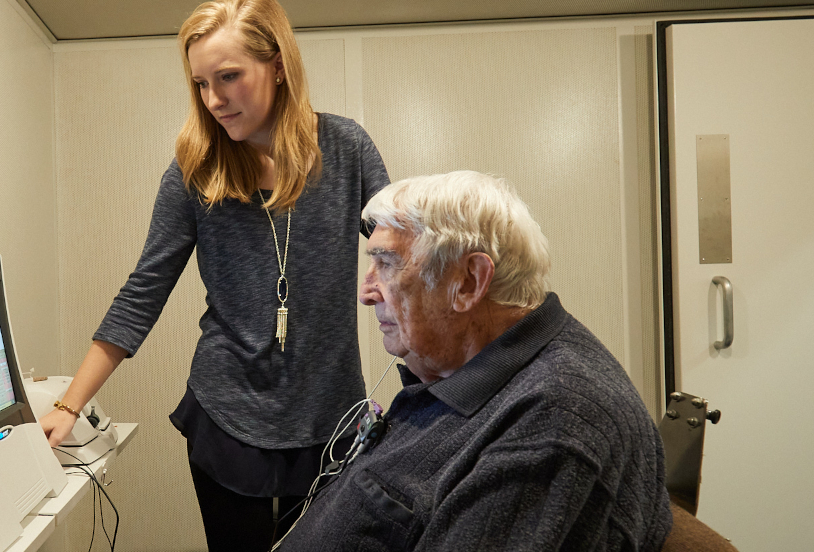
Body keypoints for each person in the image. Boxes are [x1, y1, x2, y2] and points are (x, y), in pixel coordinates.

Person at [37, 0, 389, 549]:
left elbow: (405, 258)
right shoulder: (195, 170)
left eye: (229, 77)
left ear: (277, 64)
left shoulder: (346, 149)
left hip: (331, 413)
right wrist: (68, 406)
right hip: (227, 412)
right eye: (201, 83)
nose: (213, 100)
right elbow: (143, 291)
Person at [275, 171, 672, 551]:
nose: (366, 293)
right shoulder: (465, 371)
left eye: (387, 264)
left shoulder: (553, 422)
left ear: (467, 282)